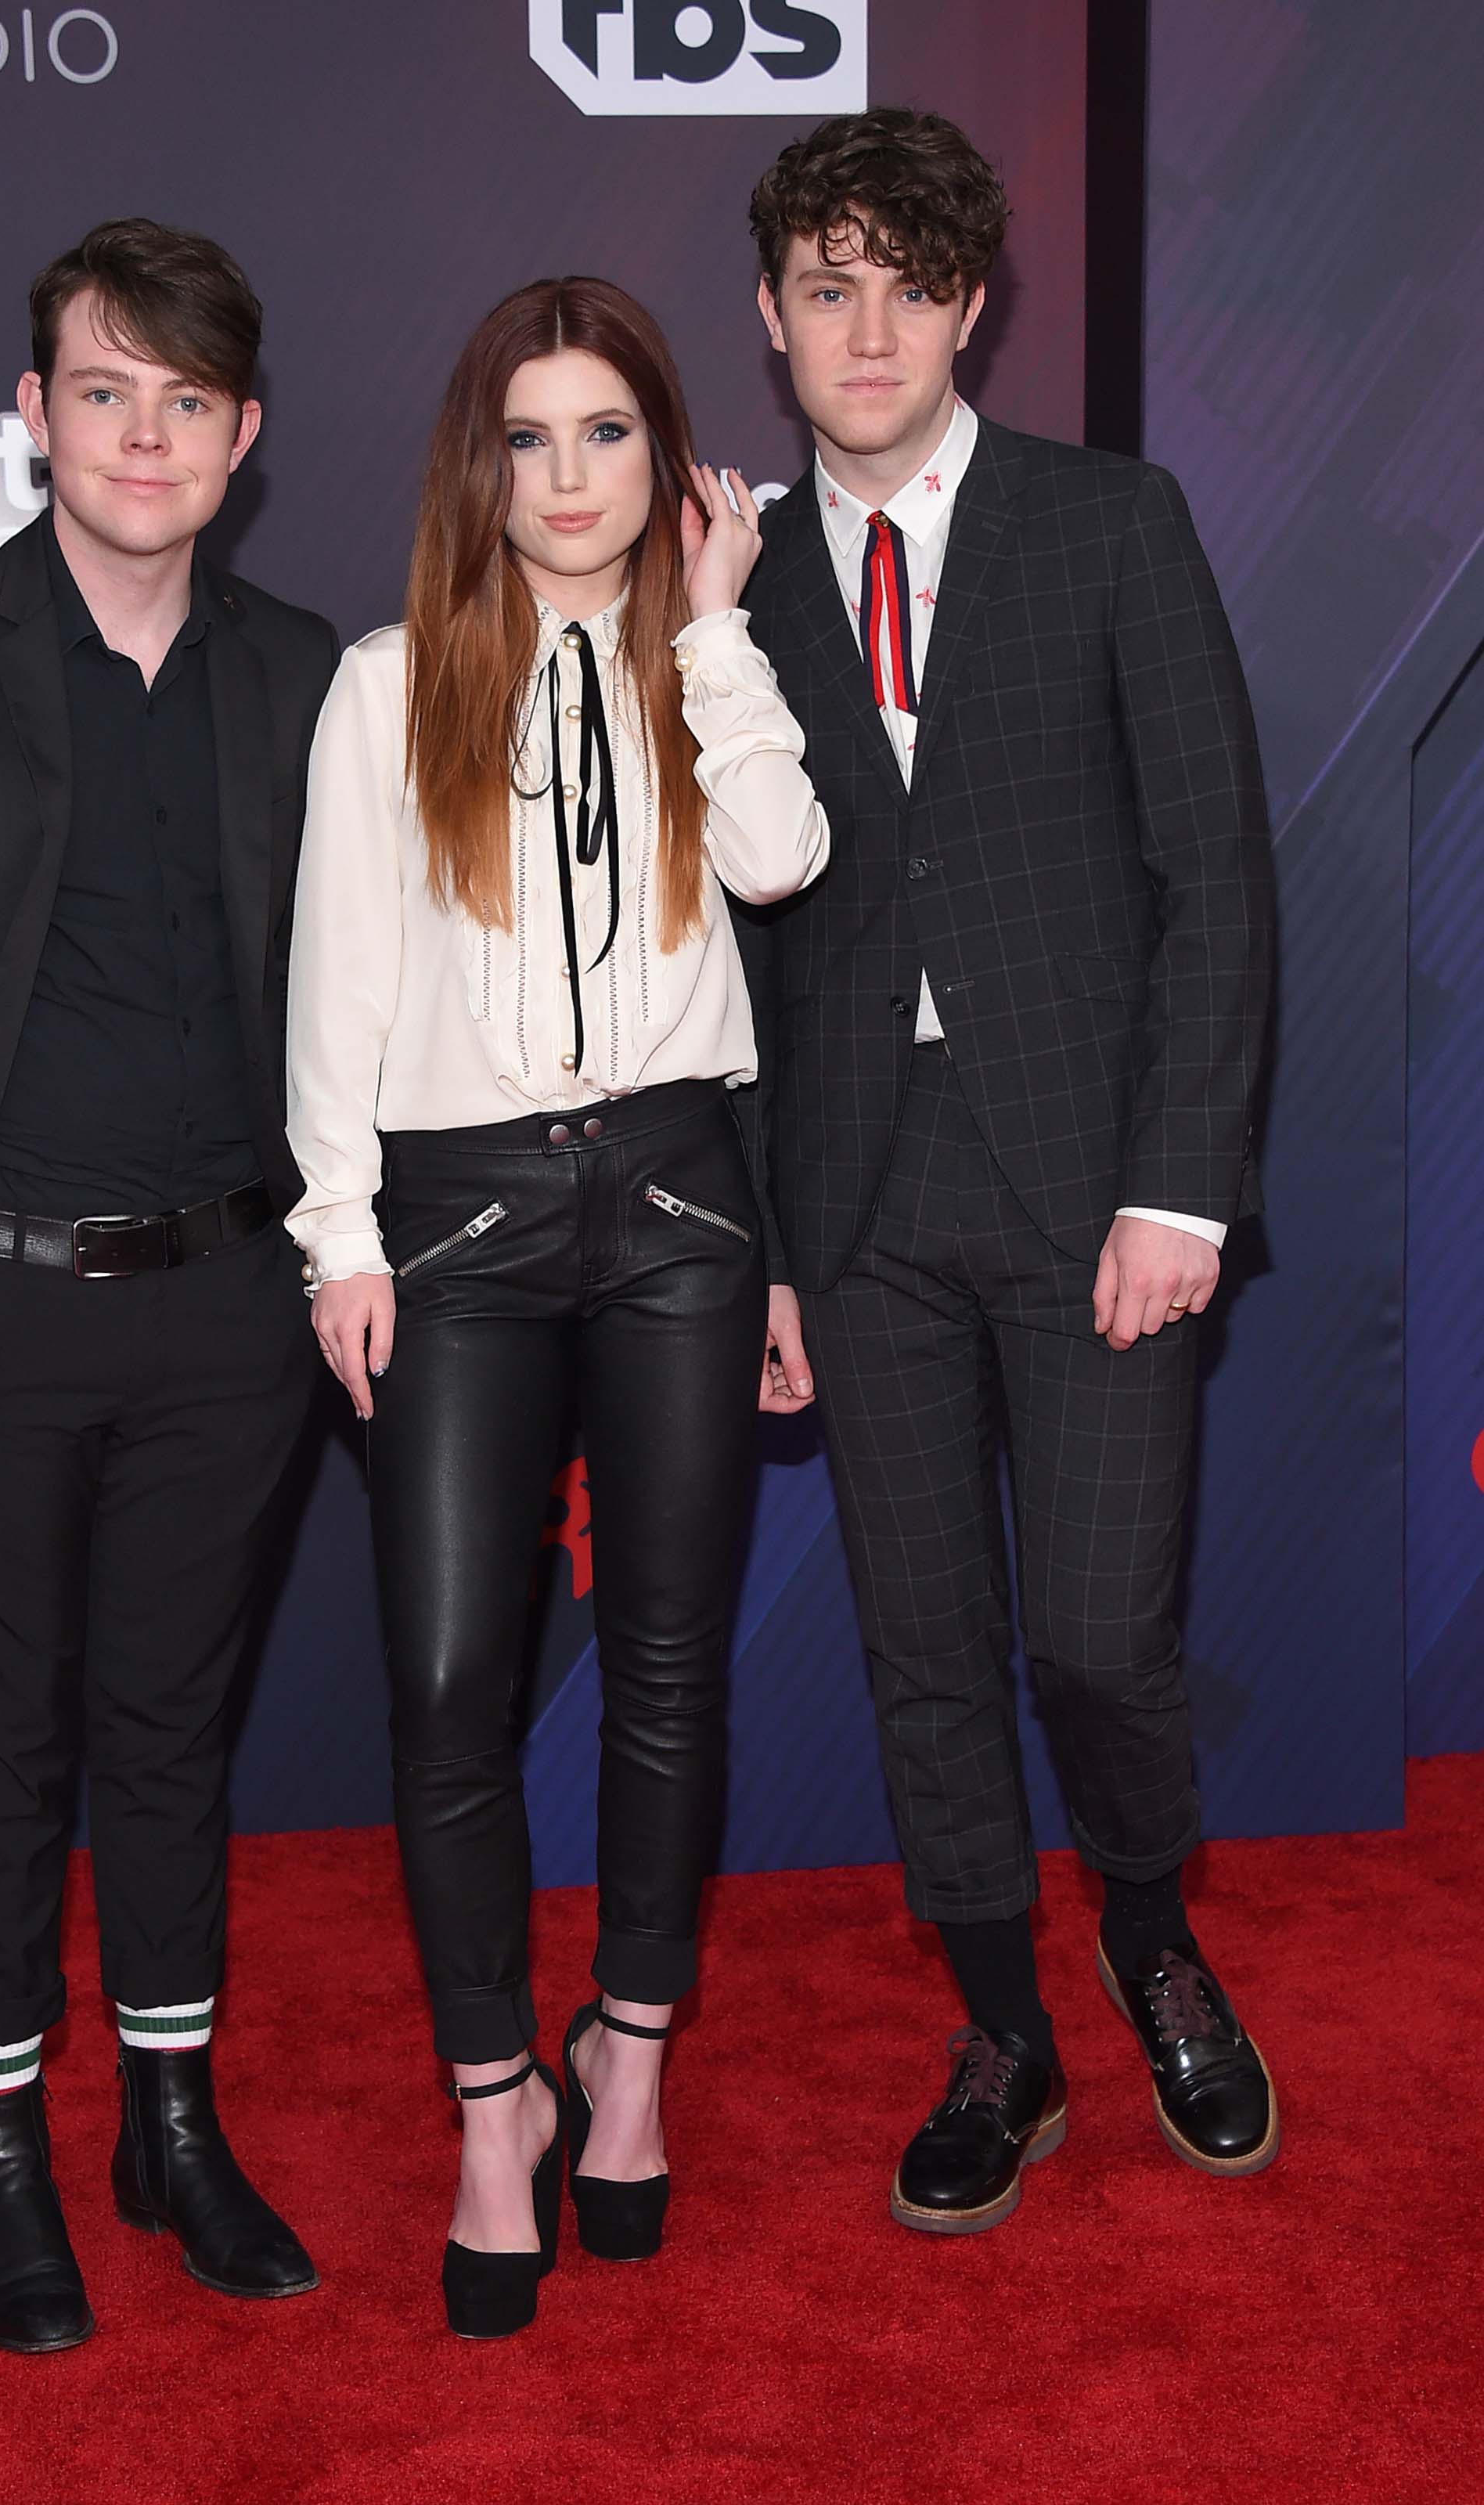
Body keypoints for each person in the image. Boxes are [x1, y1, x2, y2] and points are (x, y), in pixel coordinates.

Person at [0, 220, 337, 2352]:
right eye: (101, 389)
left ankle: (170, 2127)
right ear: (33, 414)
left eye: (184, 400)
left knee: (174, 1740)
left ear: (243, 437)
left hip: (227, 1308)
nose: (141, 435)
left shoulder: (306, 676)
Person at [734, 110, 1280, 2236]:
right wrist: (767, 1245)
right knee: (920, 1647)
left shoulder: (1106, 521)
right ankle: (1001, 2032)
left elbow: (1210, 877)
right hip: (851, 1195)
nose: (864, 327)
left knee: (1095, 1643)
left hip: (1090, 1185)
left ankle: (1149, 1951)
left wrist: (1183, 1183)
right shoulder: (728, 573)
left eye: (904, 283)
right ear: (772, 317)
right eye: (823, 285)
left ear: (967, 302)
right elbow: (715, 955)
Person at [286, 276, 829, 2337]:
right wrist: (335, 1234)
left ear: (664, 464)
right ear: (477, 465)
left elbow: (777, 867)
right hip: (454, 1221)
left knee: (672, 1667)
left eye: (609, 433)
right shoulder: (382, 683)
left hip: (686, 1197)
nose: (570, 475)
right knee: (448, 1686)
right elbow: (335, 980)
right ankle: (491, 2100)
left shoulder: (715, 669)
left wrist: (709, 629)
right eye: (531, 437)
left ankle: (630, 2063)